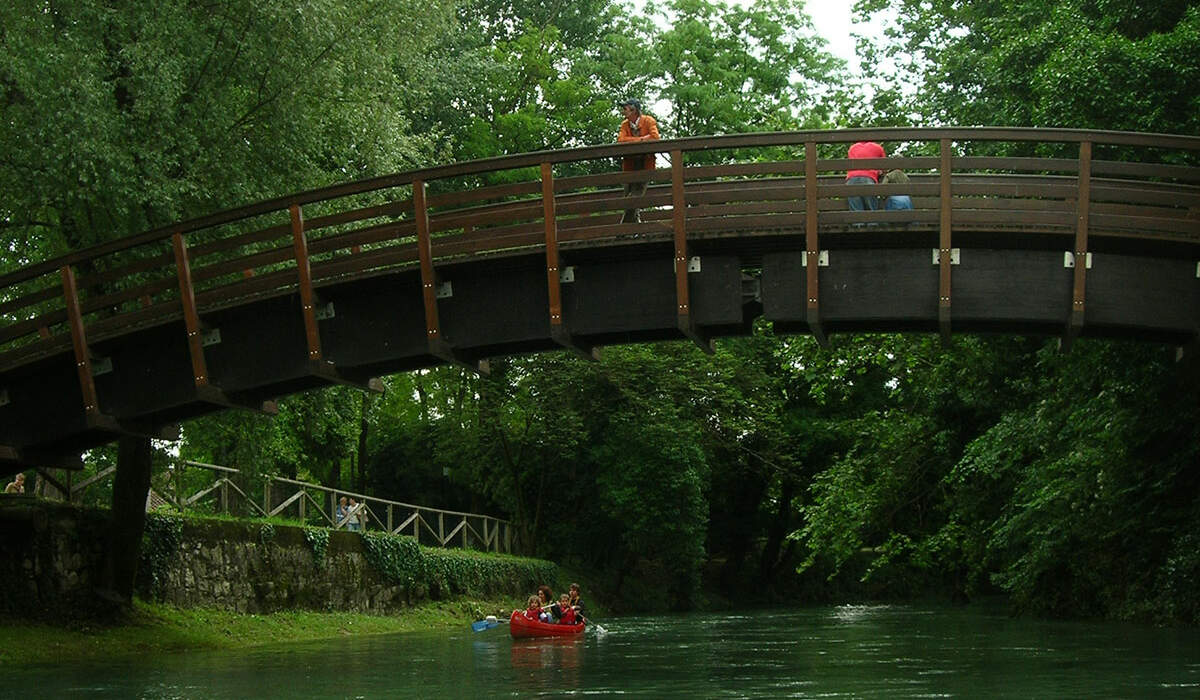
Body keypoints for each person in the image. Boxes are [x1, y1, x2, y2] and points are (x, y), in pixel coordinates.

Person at [616, 98, 659, 223]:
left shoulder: (648, 121)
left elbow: (655, 138)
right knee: (628, 199)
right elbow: (621, 141)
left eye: (626, 109)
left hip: (645, 165)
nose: (623, 111)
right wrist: (641, 140)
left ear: (634, 110)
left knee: (634, 198)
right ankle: (637, 228)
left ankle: (624, 229)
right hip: (629, 167)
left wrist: (632, 140)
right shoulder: (625, 124)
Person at [846, 140, 886, 213]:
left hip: (852, 179)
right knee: (871, 210)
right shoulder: (878, 147)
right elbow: (883, 168)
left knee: (856, 212)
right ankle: (872, 223)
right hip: (868, 178)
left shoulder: (852, 148)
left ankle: (858, 224)